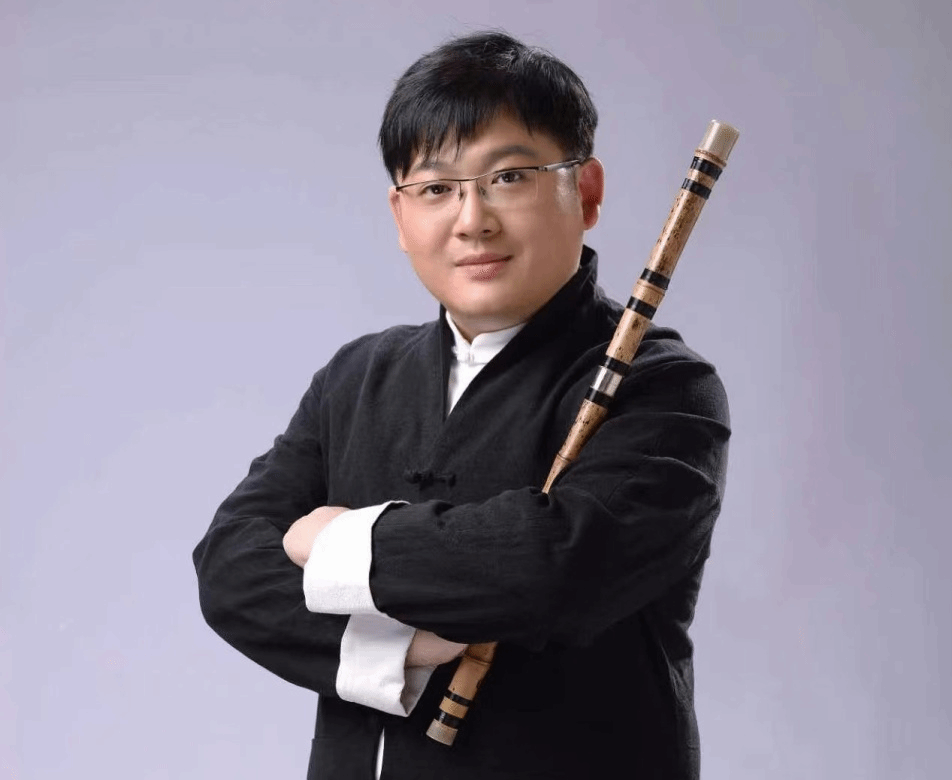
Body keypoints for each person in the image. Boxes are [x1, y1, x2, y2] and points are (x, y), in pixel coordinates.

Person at [193, 29, 730, 780]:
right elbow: (230, 566)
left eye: (508, 177)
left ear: (588, 192)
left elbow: (553, 568)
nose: (472, 218)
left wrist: (334, 539)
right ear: (399, 214)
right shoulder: (356, 376)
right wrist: (402, 647)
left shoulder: (666, 385)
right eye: (437, 188)